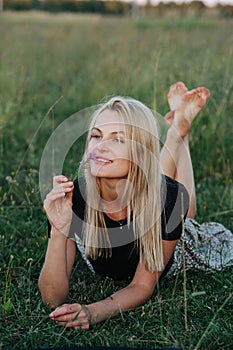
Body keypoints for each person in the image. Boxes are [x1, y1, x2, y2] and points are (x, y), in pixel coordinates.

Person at [38, 82, 232, 330]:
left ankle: (178, 134)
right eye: (96, 135)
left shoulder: (170, 198)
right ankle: (177, 132)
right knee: (166, 197)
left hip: (177, 248)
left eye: (118, 139)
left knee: (186, 213)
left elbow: (142, 285)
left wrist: (92, 311)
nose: (100, 146)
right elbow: (52, 298)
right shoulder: (72, 199)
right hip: (149, 192)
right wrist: (58, 231)